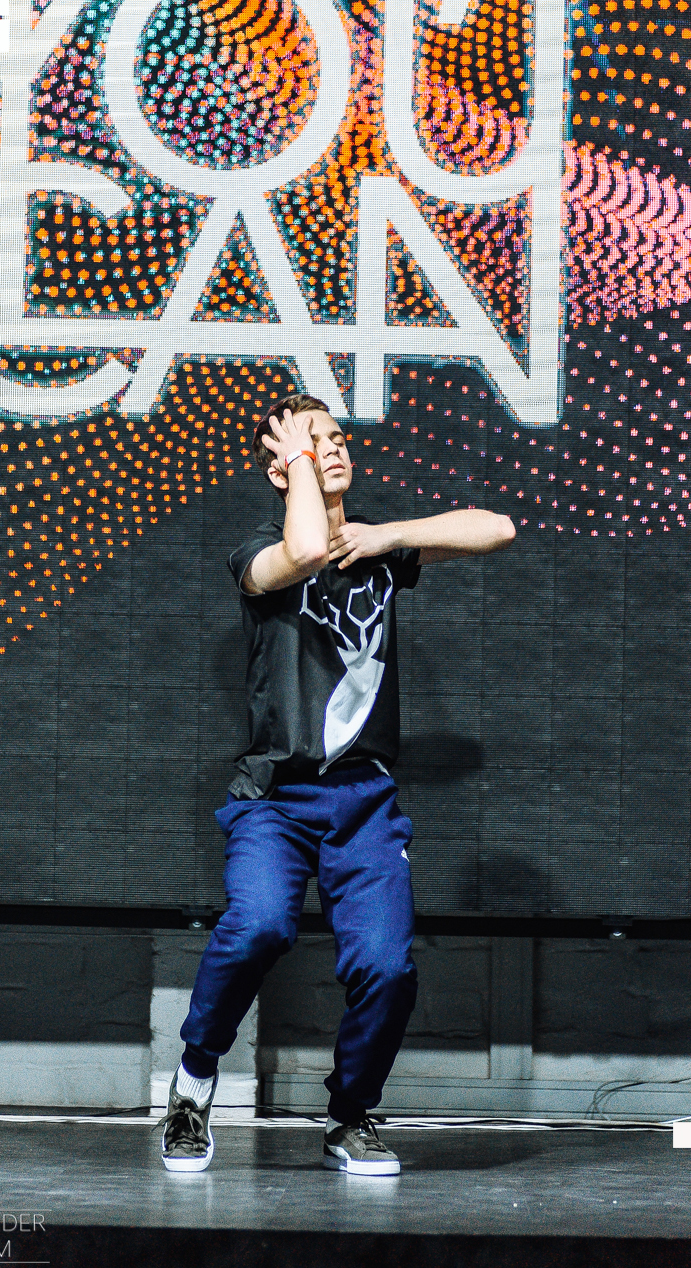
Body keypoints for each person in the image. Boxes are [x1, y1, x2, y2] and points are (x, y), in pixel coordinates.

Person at [161, 393, 515, 1175]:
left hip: (364, 803)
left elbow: (497, 528)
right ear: (279, 470)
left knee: (387, 968)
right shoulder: (258, 553)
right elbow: (301, 554)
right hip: (275, 801)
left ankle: (350, 1116)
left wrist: (389, 534)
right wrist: (299, 472)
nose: (331, 449)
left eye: (335, 437)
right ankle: (192, 1084)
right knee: (258, 927)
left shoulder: (377, 549)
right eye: (309, 441)